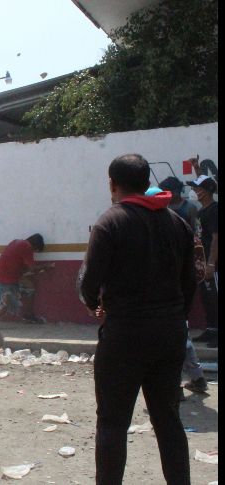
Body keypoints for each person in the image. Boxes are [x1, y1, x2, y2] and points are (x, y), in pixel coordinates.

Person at [81, 154, 195, 485]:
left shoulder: (110, 222)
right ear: (148, 182)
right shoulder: (178, 224)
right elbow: (189, 284)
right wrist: (174, 317)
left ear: (112, 185)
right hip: (169, 333)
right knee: (168, 419)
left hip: (125, 335)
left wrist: (94, 304)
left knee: (113, 423)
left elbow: (89, 282)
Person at [145, 186, 208, 396]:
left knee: (165, 343)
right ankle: (197, 378)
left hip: (162, 296)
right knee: (181, 337)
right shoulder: (179, 223)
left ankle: (175, 386)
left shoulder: (154, 226)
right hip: (178, 295)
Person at [0, 234, 54, 344]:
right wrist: (46, 266)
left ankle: (28, 315)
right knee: (2, 307)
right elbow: (32, 268)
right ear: (35, 245)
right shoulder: (27, 247)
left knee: (29, 287)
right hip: (6, 280)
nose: (34, 252)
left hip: (4, 276)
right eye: (36, 250)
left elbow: (19, 266)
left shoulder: (17, 242)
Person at [187, 175, 218, 348]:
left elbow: (216, 239)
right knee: (207, 298)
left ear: (206, 192)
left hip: (213, 265)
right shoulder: (202, 211)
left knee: (215, 296)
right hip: (202, 261)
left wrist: (211, 264)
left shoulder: (215, 210)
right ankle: (212, 330)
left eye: (198, 189)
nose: (195, 192)